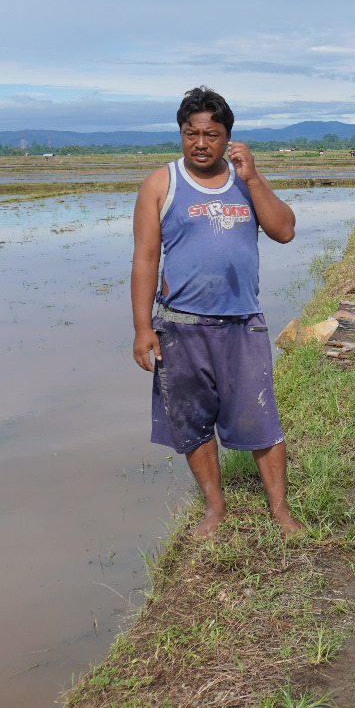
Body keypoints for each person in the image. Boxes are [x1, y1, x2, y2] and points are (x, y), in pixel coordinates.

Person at [130, 86, 302, 538]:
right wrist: (142, 328)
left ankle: (281, 512)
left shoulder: (244, 181)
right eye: (191, 134)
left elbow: (284, 231)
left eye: (212, 134)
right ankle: (214, 509)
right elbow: (146, 259)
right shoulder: (161, 184)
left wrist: (255, 178)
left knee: (261, 417)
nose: (201, 143)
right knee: (192, 421)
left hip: (242, 322)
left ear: (229, 138)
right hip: (179, 326)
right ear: (181, 135)